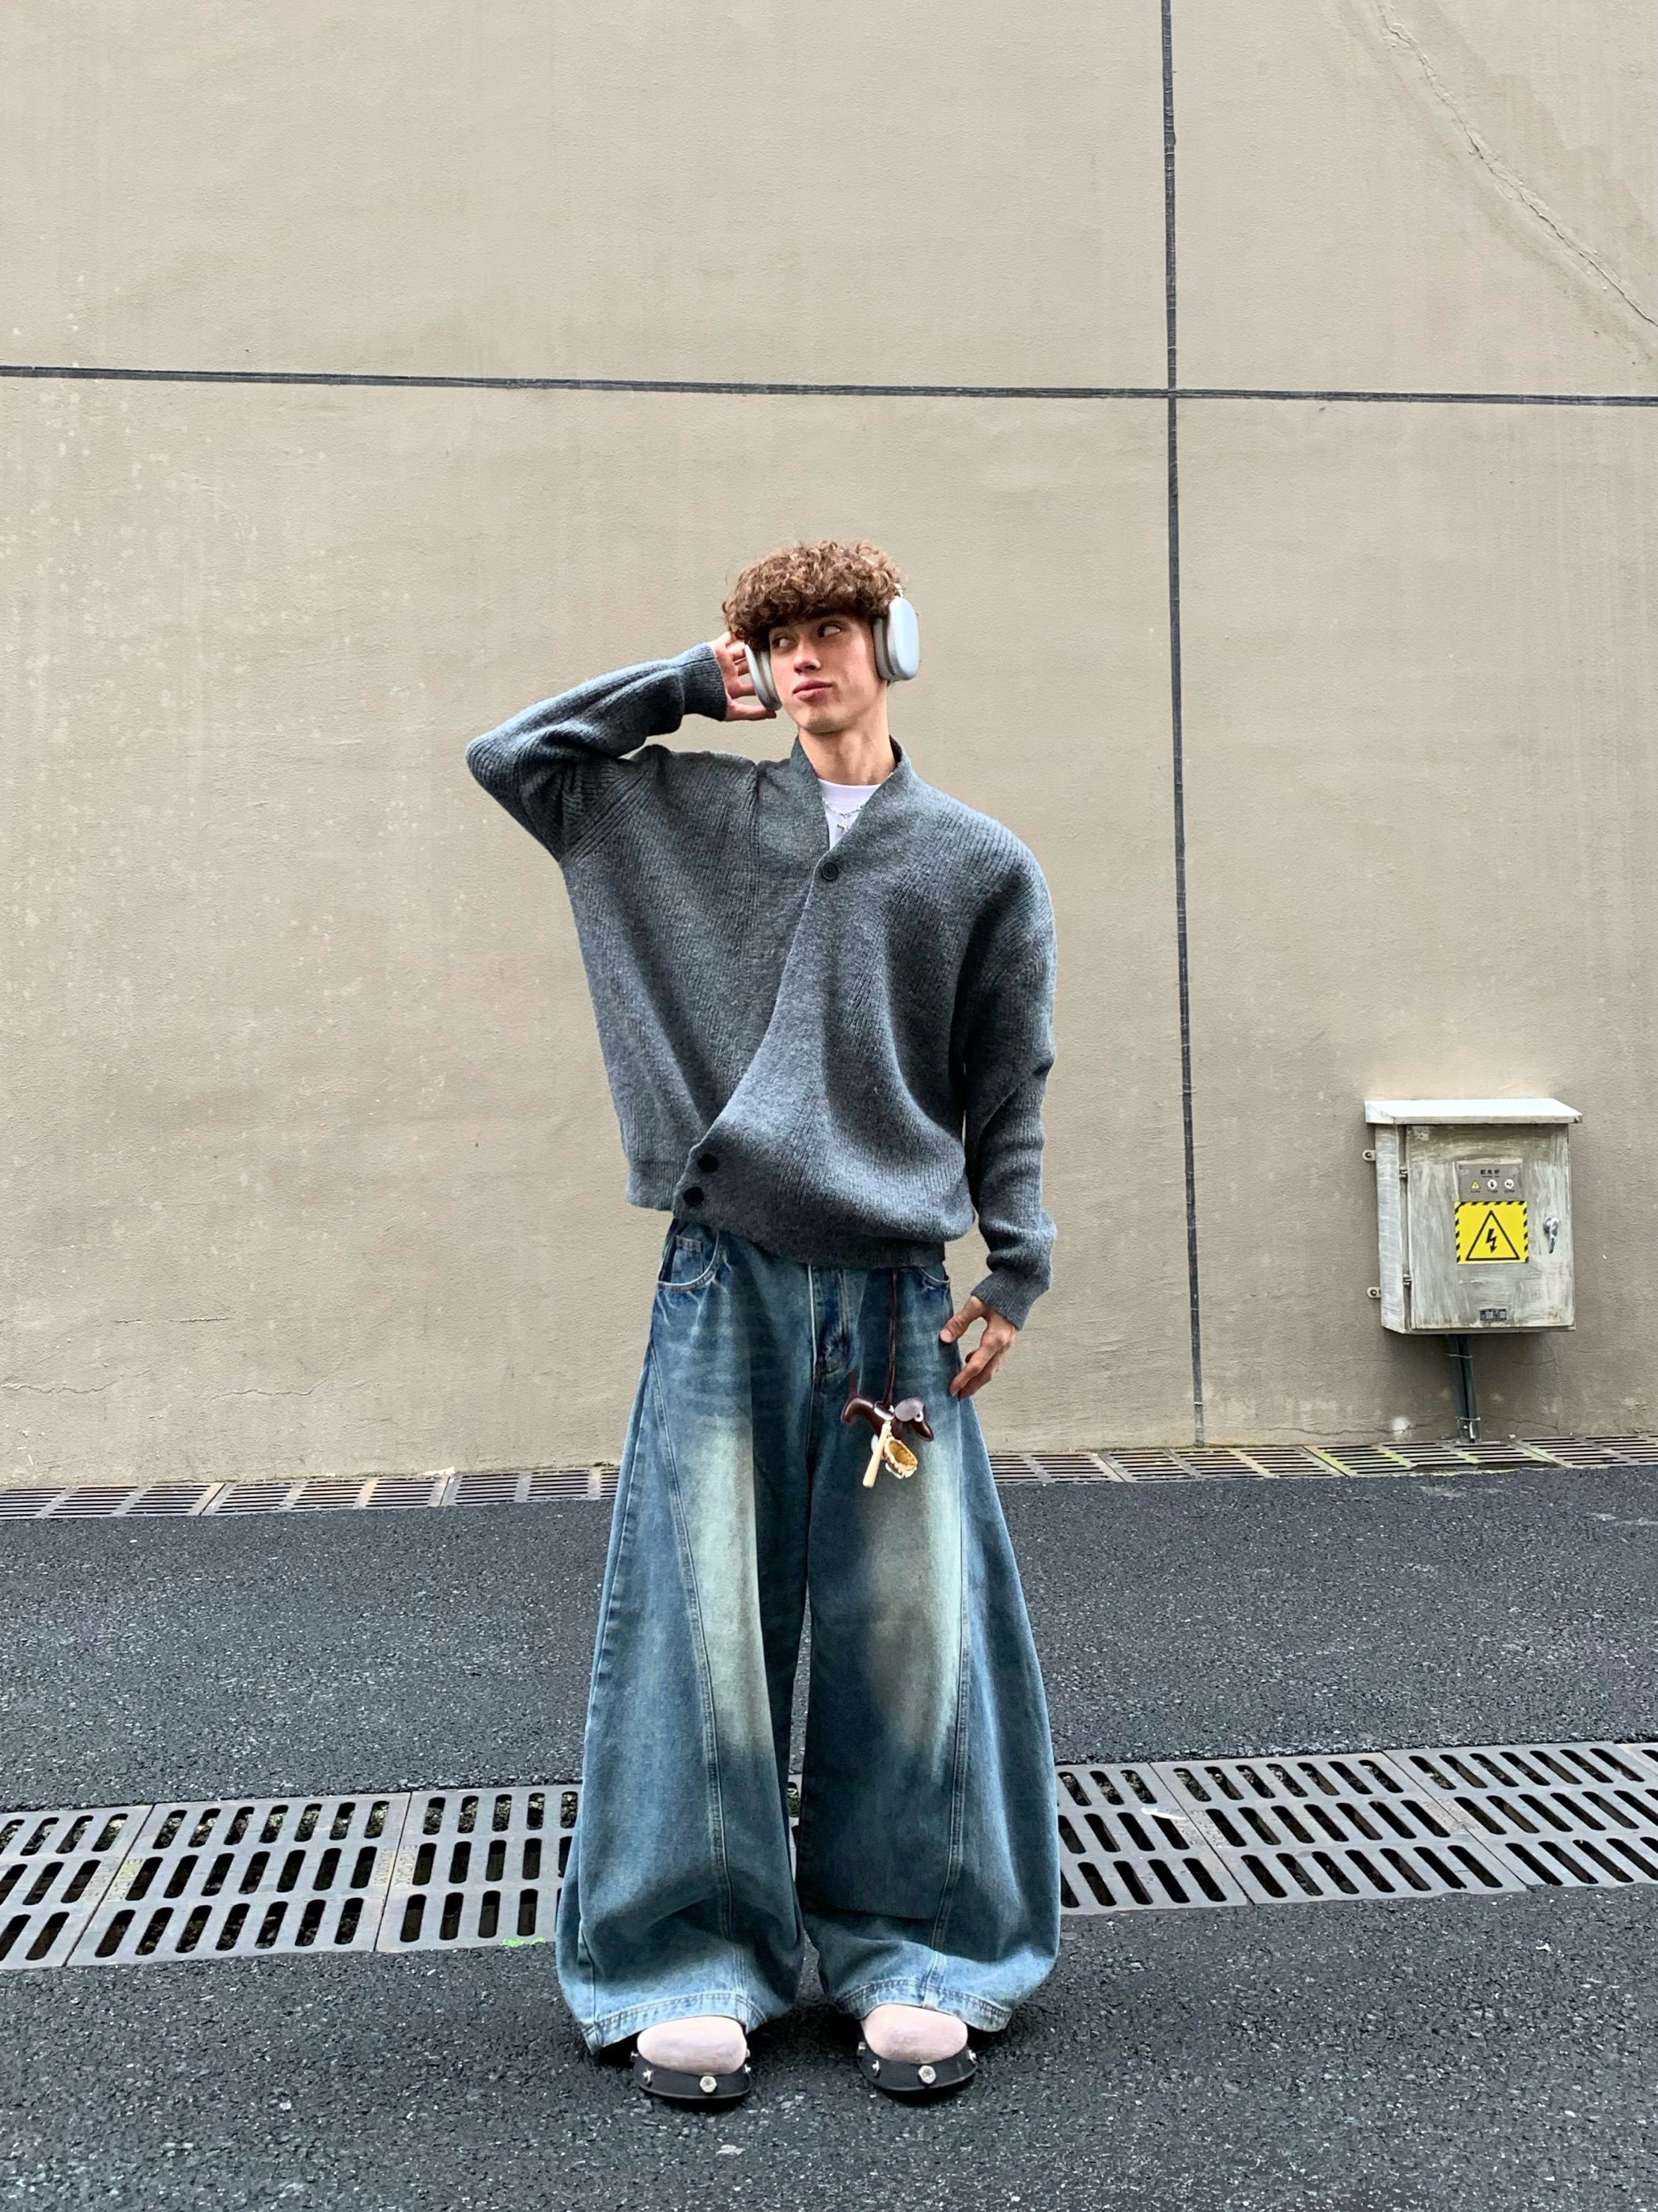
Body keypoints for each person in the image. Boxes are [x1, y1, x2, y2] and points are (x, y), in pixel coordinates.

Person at [466, 539, 1060, 2103]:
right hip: (722, 1275)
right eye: (775, 637)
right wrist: (680, 684)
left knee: (909, 1631)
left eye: (832, 629)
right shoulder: (685, 815)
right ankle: (685, 1960)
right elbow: (513, 758)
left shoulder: (977, 865)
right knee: (698, 1623)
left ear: (892, 643)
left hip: (894, 1297)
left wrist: (1013, 1267)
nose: (804, 657)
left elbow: (1006, 1078)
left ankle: (917, 1951)